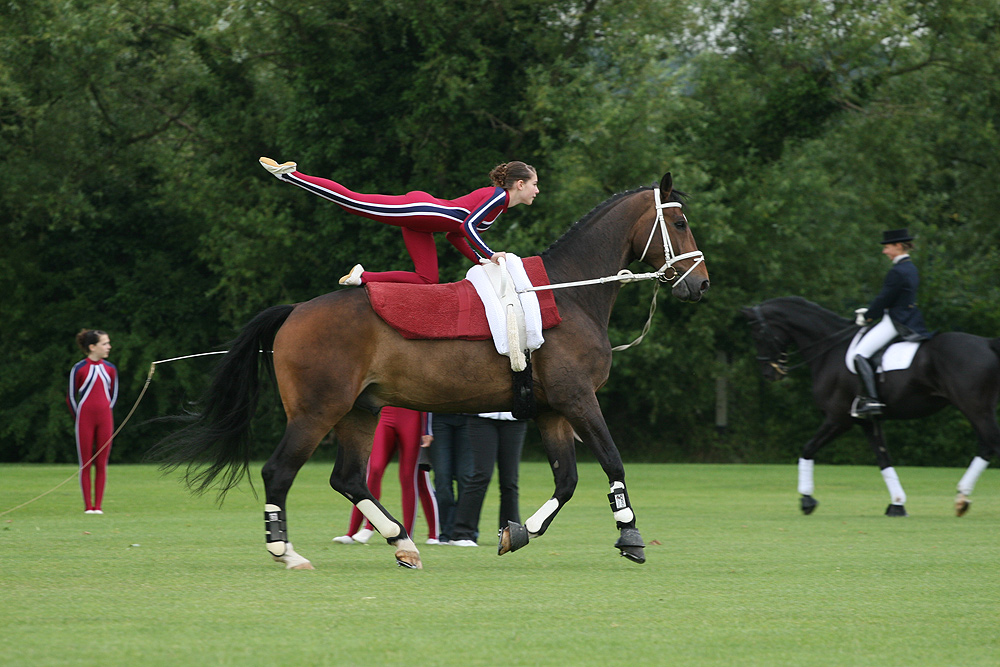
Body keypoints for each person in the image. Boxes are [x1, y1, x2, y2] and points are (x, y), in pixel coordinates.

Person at [258, 157, 538, 285]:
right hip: (422, 211)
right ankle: (291, 175)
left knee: (428, 279)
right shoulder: (498, 197)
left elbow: (455, 235)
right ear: (521, 184)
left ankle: (361, 277)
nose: (537, 190)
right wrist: (488, 255)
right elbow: (466, 225)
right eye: (535, 184)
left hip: (424, 225)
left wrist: (479, 261)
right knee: (354, 202)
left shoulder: (501, 207)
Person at [851, 228, 931, 418]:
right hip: (911, 318)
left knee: (859, 354)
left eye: (887, 247)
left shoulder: (897, 271)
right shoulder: (910, 268)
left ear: (898, 246)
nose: (884, 251)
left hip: (895, 320)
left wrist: (868, 316)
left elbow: (884, 299)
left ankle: (872, 400)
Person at [332, 407, 440, 544]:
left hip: (411, 416)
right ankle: (359, 530)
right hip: (386, 414)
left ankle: (408, 535)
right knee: (374, 470)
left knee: (408, 476)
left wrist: (427, 430)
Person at [449, 412, 527, 547]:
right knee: (481, 475)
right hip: (482, 418)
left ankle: (511, 534)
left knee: (510, 481)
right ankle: (462, 533)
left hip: (515, 420)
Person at [67, 329, 118, 514]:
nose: (108, 347)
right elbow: (71, 396)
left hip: (105, 419)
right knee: (86, 462)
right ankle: (88, 507)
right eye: (105, 343)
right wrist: (79, 417)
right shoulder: (79, 368)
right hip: (85, 420)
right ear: (92, 347)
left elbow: (113, 395)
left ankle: (99, 507)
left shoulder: (110, 369)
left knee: (102, 463)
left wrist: (106, 413)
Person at [427, 413, 472, 544]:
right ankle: (446, 533)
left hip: (468, 417)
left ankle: (465, 532)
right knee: (442, 478)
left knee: (466, 478)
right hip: (440, 417)